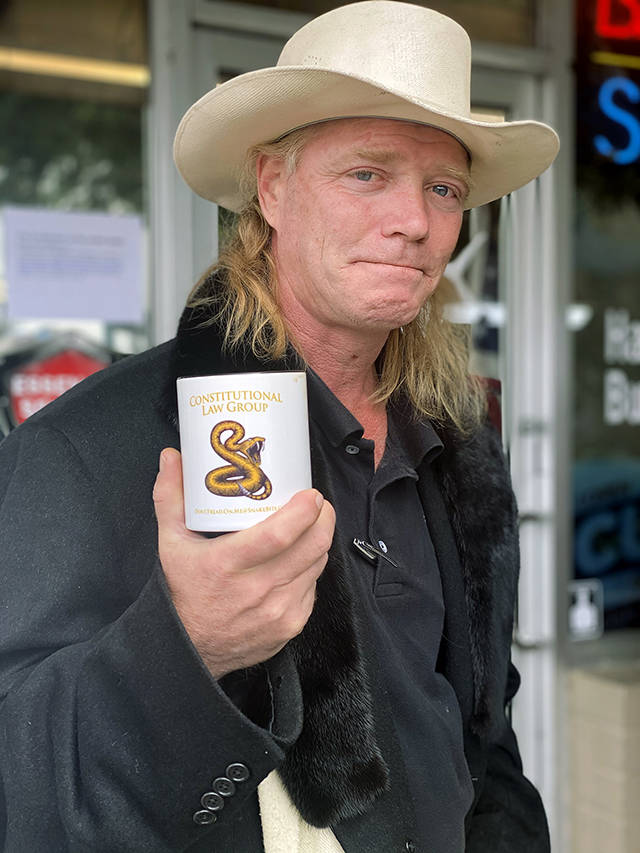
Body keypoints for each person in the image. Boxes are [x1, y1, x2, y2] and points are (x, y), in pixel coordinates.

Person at [0, 2, 559, 851]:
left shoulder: (458, 440)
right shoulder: (85, 449)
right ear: (271, 188)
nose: (414, 220)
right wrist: (187, 647)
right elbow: (20, 790)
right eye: (367, 174)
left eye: (443, 188)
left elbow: (482, 727)